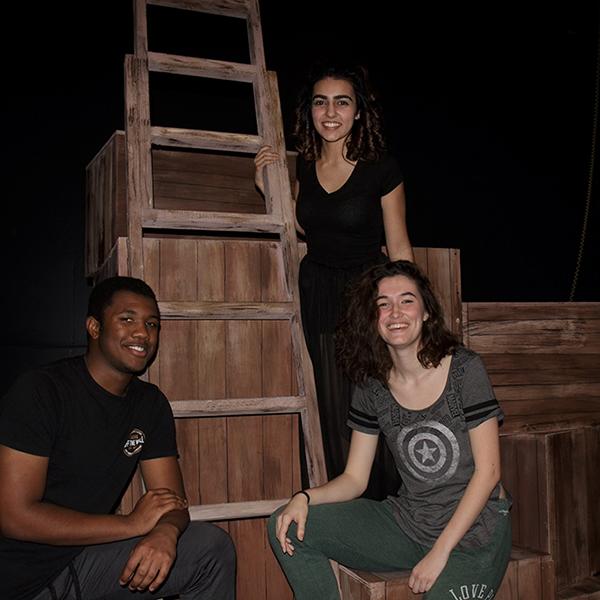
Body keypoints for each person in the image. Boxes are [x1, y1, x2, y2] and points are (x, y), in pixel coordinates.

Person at [267, 260, 512, 600]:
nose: (395, 312)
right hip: (410, 524)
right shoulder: (372, 386)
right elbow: (355, 478)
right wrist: (304, 497)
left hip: (475, 531)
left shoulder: (464, 370)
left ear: (427, 312)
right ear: (374, 318)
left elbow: (489, 473)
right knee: (287, 524)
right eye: (383, 304)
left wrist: (439, 553)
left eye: (407, 300)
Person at [0, 276, 236, 600]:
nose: (142, 333)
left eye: (152, 324)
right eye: (127, 320)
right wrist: (132, 525)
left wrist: (165, 533)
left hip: (87, 562)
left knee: (210, 550)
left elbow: (172, 502)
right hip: (26, 578)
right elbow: (14, 516)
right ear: (94, 327)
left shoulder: (150, 404)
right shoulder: (41, 391)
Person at [255, 63, 413, 497]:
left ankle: (395, 500)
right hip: (319, 290)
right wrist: (268, 185)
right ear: (309, 111)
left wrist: (410, 307)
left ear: (359, 111)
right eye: (320, 101)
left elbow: (399, 247)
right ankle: (353, 500)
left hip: (366, 293)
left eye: (342, 101)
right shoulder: (305, 166)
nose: (331, 111)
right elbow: (307, 228)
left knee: (377, 397)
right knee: (335, 401)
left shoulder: (382, 168)